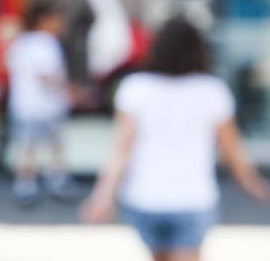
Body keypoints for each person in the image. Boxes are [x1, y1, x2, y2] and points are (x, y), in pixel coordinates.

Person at [81, 18, 269, 261]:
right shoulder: (212, 91)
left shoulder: (135, 88)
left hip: (144, 198)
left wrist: (103, 195)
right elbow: (232, 149)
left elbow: (121, 151)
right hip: (192, 198)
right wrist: (252, 184)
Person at [5, 0, 76, 206]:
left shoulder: (21, 42)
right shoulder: (46, 43)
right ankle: (57, 181)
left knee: (27, 147)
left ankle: (25, 186)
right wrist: (70, 90)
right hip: (47, 106)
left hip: (22, 104)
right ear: (44, 20)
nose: (61, 23)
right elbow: (47, 75)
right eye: (57, 18)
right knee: (55, 146)